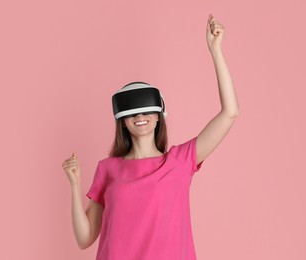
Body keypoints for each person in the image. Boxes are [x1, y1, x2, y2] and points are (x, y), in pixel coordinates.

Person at [62, 14, 239, 260]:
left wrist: (215, 50)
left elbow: (230, 113)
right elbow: (84, 239)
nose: (140, 117)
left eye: (147, 111)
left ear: (159, 116)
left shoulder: (180, 160)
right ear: (122, 120)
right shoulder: (108, 169)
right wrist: (74, 185)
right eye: (132, 113)